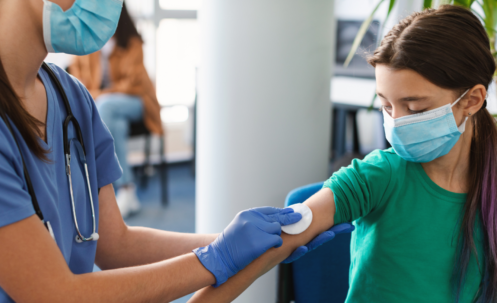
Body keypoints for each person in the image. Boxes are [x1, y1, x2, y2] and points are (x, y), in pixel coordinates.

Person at [0, 0, 350, 301]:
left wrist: (240, 242)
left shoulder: (71, 97)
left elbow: (116, 244)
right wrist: (215, 259)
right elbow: (54, 294)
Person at [188, 5, 497, 303]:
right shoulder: (378, 175)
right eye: (386, 107)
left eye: (415, 108)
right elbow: (277, 245)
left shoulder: (491, 181)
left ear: (472, 100)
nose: (398, 123)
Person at [69, 3, 158, 216]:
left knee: (105, 107)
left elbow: (132, 84)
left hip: (137, 102)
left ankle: (116, 187)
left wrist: (101, 94)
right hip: (108, 109)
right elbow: (76, 81)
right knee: (114, 122)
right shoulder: (86, 42)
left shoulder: (132, 42)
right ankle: (127, 189)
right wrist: (100, 95)